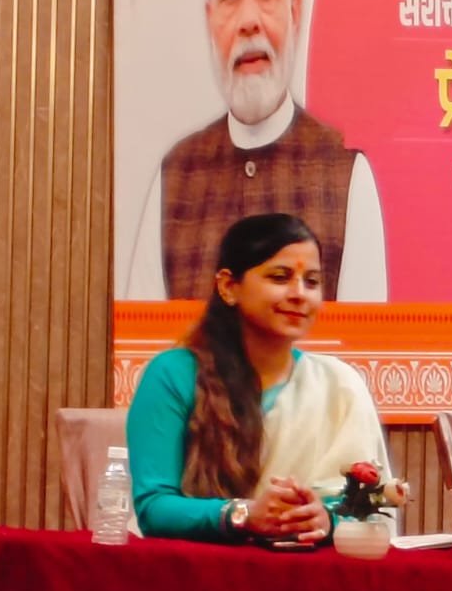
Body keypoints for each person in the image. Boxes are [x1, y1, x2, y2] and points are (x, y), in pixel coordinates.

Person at [124, 0, 387, 302]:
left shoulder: (346, 176)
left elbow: (364, 343)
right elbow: (141, 342)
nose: (248, 20)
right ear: (211, 19)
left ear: (294, 9)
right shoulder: (174, 179)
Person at [127, 213, 395, 543]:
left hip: (311, 569)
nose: (300, 294)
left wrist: (326, 521)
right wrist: (242, 515)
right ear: (228, 286)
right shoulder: (174, 374)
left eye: (312, 282)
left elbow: (371, 512)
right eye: (280, 277)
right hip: (195, 568)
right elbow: (154, 508)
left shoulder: (340, 386)